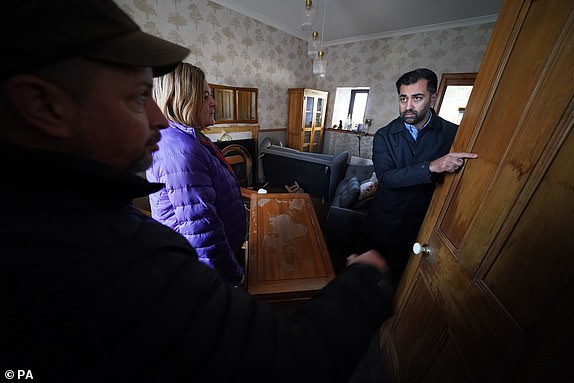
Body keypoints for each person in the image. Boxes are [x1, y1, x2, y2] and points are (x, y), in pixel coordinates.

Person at [0, 1, 394, 382]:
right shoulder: (111, 254)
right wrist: (363, 281)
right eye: (139, 97)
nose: (158, 116)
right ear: (42, 105)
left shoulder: (72, 212)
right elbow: (288, 362)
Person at [356, 68, 478, 283]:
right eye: (403, 98)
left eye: (417, 98)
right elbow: (386, 178)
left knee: (398, 281)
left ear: (434, 97)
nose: (408, 107)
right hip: (382, 222)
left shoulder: (454, 133)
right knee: (363, 278)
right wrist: (431, 166)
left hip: (421, 227)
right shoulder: (385, 135)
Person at [146, 63, 245, 286]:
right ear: (181, 98)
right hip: (207, 273)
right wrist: (234, 277)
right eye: (205, 96)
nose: (214, 103)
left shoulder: (189, 137)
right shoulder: (180, 151)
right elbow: (202, 228)